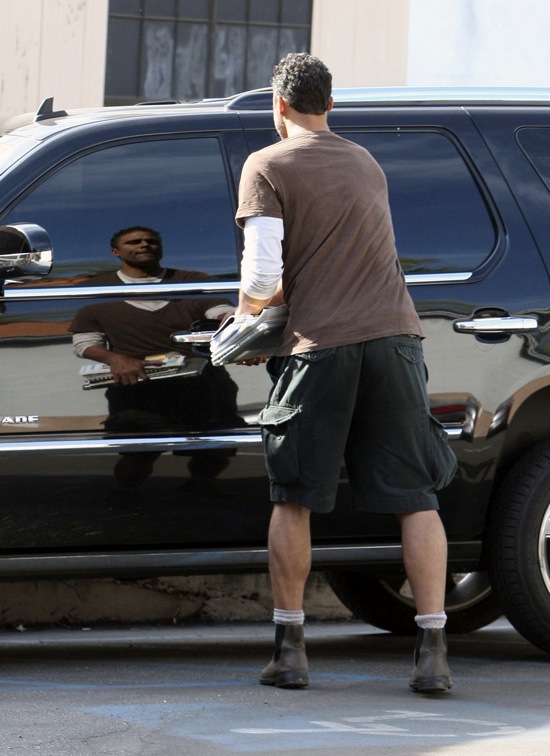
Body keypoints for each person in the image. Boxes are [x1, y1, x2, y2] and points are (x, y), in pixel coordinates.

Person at [234, 54, 458, 693]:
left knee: (295, 492)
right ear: (331, 106)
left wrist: (241, 327)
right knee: (416, 497)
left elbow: (261, 278)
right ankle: (434, 653)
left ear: (278, 107)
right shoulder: (365, 162)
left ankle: (290, 651)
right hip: (395, 339)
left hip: (320, 346)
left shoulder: (267, 165)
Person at [70, 226, 242, 489]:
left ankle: (201, 494)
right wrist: (115, 358)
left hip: (200, 386)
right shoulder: (96, 289)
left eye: (151, 241)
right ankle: (126, 505)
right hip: (137, 390)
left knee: (214, 450)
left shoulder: (190, 280)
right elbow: (84, 343)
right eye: (134, 241)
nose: (144, 245)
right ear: (116, 251)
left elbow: (221, 310)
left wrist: (229, 321)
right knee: (136, 456)